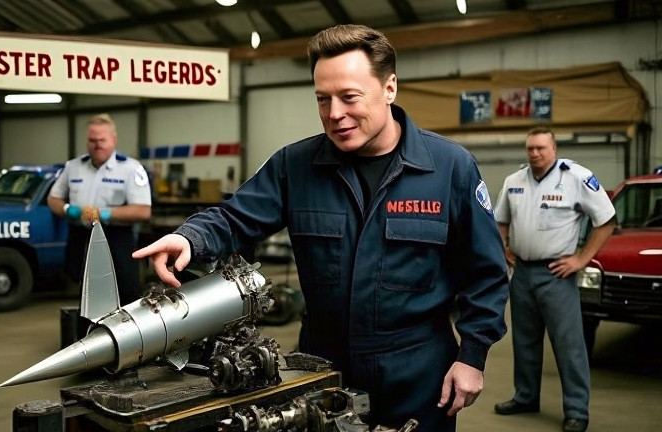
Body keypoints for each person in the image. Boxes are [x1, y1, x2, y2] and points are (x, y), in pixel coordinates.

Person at [133, 24, 509, 431]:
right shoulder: (294, 166)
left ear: (389, 88)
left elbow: (486, 274)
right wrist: (190, 237)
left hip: (418, 371)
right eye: (322, 99)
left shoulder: (450, 168)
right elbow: (233, 217)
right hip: (321, 369)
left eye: (349, 97)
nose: (334, 114)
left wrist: (472, 356)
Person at [493, 127, 616, 432]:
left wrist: (581, 259)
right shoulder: (514, 181)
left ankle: (576, 410)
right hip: (522, 273)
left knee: (568, 345)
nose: (535, 153)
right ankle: (525, 396)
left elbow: (606, 221)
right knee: (524, 341)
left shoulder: (576, 178)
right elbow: (500, 220)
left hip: (556, 274)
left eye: (541, 148)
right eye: (530, 148)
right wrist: (504, 248)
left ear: (554, 149)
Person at [48, 113, 152, 305]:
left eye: (102, 140)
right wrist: (68, 209)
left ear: (114, 139)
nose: (97, 145)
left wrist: (105, 214)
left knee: (125, 295)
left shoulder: (130, 169)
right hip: (81, 238)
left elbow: (143, 210)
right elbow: (53, 199)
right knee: (85, 298)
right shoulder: (73, 167)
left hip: (116, 239)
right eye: (92, 140)